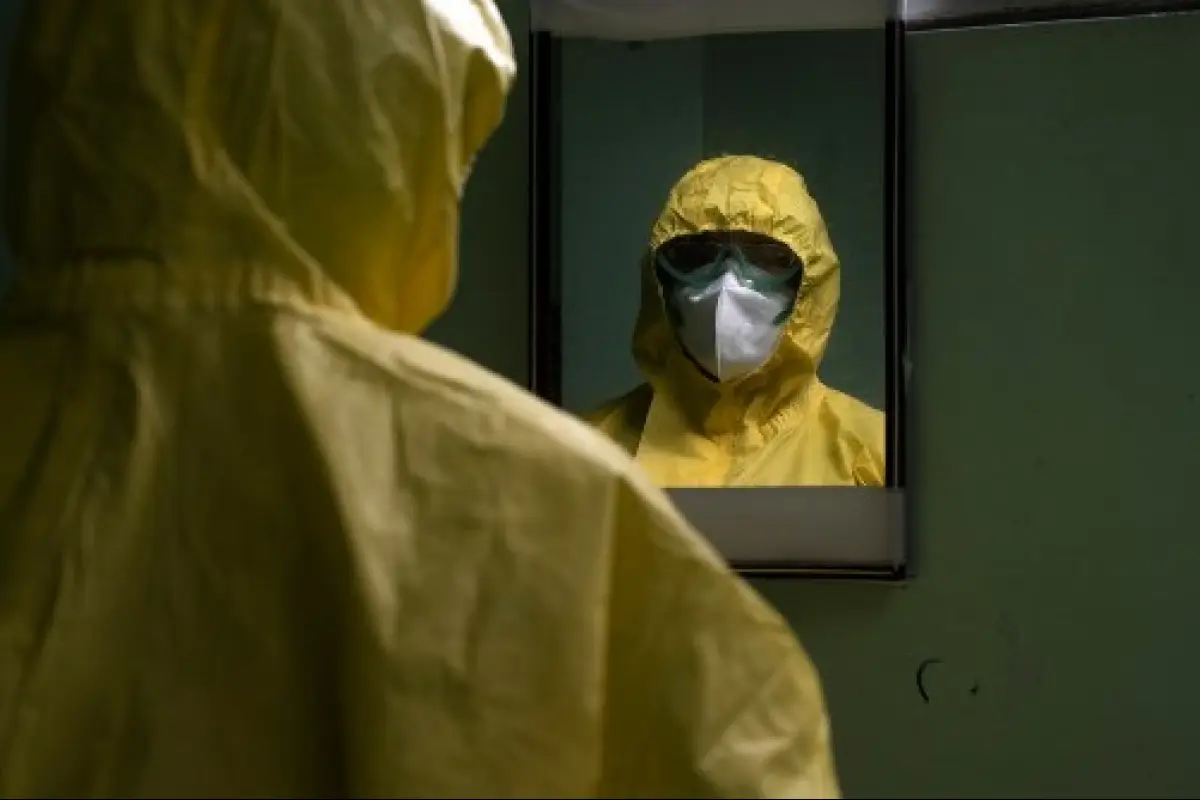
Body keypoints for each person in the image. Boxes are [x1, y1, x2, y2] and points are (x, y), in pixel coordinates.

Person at [0, 1, 841, 797]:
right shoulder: (565, 512)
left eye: (764, 263)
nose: (726, 293)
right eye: (699, 258)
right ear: (391, 131)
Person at [586, 155, 886, 488]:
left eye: (766, 260)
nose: (727, 285)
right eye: (696, 257)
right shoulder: (586, 454)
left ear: (810, 283)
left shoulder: (874, 454)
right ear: (660, 283)